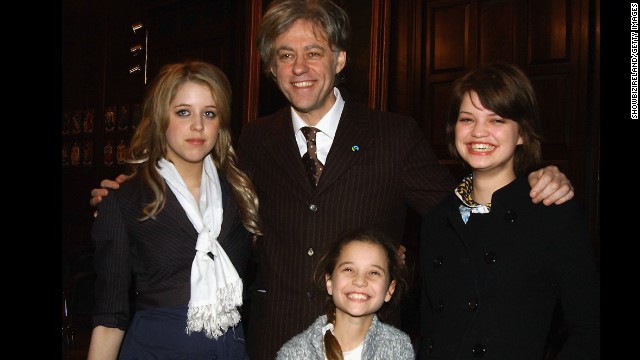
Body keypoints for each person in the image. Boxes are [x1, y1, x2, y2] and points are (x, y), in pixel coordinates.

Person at [89, 1, 575, 358]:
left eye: (314, 52)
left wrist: (531, 181)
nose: (299, 68)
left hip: (369, 343)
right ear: (271, 68)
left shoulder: (392, 134)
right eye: (284, 55)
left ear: (340, 59)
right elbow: (195, 195)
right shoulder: (252, 143)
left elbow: (458, 210)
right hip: (269, 342)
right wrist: (127, 194)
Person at [418, 62, 600, 359]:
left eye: (497, 120)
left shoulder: (551, 215)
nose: (479, 132)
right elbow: (430, 331)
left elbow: (590, 328)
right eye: (467, 119)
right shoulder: (437, 220)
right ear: (453, 131)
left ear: (522, 134)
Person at [87, 61, 261, 360]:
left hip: (230, 349)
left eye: (209, 113)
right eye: (183, 112)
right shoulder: (125, 199)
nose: (198, 125)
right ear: (160, 118)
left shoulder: (241, 193)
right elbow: (109, 318)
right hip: (155, 349)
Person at [277, 228, 414, 360]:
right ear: (329, 282)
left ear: (390, 289)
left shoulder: (399, 348)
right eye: (348, 269)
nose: (360, 281)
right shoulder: (294, 353)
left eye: (373, 273)